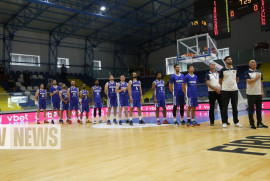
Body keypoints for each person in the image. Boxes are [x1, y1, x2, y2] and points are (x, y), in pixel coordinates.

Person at [219, 56, 242, 128]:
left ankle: (236, 122)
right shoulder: (222, 70)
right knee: (224, 107)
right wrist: (225, 86)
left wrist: (233, 85)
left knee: (235, 107)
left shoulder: (235, 69)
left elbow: (237, 79)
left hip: (234, 90)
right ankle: (224, 122)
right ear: (225, 61)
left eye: (231, 59)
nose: (230, 60)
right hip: (225, 91)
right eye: (228, 59)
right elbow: (220, 81)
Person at [244, 60, 268, 129]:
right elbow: (249, 82)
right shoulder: (247, 72)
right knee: (251, 110)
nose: (255, 63)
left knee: (259, 109)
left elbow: (261, 82)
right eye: (253, 62)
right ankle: (251, 124)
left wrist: (262, 92)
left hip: (258, 93)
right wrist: (256, 78)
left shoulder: (259, 72)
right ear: (249, 65)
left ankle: (259, 123)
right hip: (251, 94)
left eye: (255, 62)